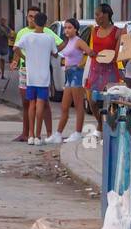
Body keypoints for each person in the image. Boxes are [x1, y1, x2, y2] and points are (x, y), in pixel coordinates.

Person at [11, 12, 60, 145]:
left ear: (35, 22)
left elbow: (15, 48)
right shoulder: (49, 38)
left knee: (31, 104)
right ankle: (38, 136)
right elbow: (55, 54)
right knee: (40, 104)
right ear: (45, 23)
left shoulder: (26, 37)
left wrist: (24, 57)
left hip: (30, 76)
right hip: (44, 77)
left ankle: (31, 135)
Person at [85, 3, 123, 133]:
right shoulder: (94, 30)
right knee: (92, 101)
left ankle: (110, 127)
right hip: (95, 70)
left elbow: (117, 54)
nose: (96, 17)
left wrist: (111, 57)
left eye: (97, 14)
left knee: (111, 101)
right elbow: (89, 48)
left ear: (106, 15)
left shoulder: (117, 32)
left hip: (110, 70)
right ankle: (100, 124)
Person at [55, 18, 91, 143]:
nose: (66, 30)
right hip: (68, 75)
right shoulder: (67, 42)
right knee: (64, 106)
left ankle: (78, 132)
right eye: (65, 28)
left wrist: (81, 64)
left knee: (78, 105)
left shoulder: (78, 41)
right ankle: (58, 133)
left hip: (76, 74)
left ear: (76, 29)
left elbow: (90, 53)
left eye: (69, 27)